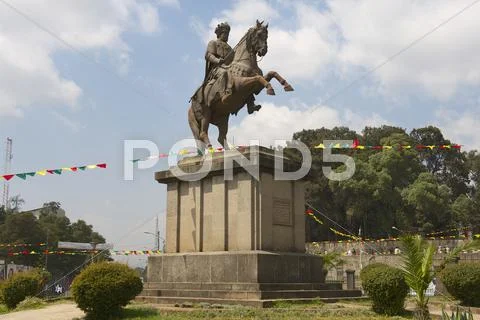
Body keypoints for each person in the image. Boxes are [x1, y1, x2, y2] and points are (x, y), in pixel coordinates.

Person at [199, 22, 261, 115]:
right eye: (225, 34)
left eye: (228, 34)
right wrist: (217, 60)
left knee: (244, 80)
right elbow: (208, 55)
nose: (227, 36)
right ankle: (225, 93)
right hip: (217, 69)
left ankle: (250, 104)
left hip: (228, 67)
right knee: (224, 73)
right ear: (220, 34)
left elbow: (234, 60)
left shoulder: (230, 48)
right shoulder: (213, 43)